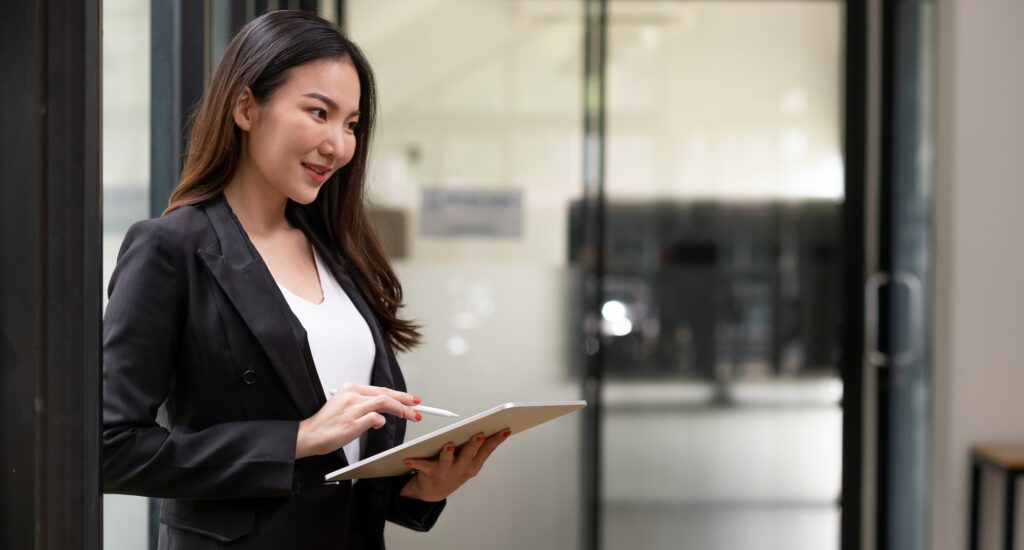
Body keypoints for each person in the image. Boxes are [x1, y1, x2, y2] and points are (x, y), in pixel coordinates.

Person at [102, 10, 507, 549]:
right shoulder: (171, 248)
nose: (338, 145)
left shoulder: (337, 250)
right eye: (319, 112)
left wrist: (424, 489)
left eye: (351, 124)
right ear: (246, 107)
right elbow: (110, 447)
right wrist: (296, 439)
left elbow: (340, 471)